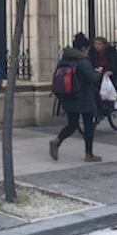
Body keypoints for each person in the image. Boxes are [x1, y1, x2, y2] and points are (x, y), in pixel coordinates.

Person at [49, 32, 103, 162]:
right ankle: (88, 154)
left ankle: (57, 140)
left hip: (67, 97)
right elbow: (92, 78)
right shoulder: (83, 61)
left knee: (72, 124)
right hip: (83, 97)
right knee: (88, 125)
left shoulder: (65, 59)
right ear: (84, 48)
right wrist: (99, 73)